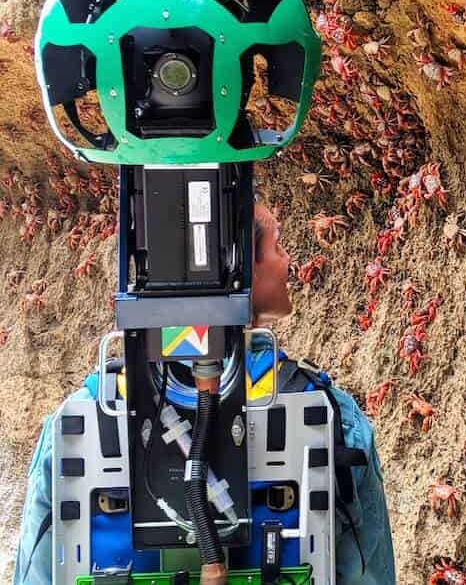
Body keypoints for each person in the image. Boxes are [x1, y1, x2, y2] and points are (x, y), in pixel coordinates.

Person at [13, 196, 396, 584]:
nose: (287, 261)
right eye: (276, 246)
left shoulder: (83, 417)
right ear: (244, 269)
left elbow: (35, 572)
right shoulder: (331, 414)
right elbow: (369, 571)